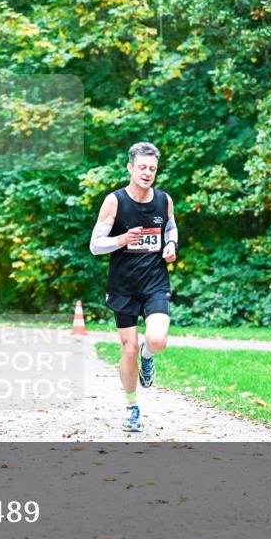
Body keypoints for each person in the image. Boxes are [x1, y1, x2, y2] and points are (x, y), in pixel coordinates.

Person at [88, 142, 178, 432]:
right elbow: (95, 245)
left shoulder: (164, 200)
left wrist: (172, 244)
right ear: (130, 168)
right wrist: (122, 240)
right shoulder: (115, 201)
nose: (147, 173)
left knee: (158, 340)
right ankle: (132, 407)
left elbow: (171, 227)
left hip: (155, 283)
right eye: (142, 167)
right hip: (123, 287)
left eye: (152, 168)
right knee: (127, 350)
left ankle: (148, 356)